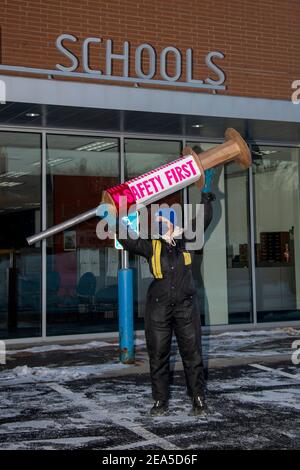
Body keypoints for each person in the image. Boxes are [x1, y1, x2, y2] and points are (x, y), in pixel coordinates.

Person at [103, 170, 215, 416]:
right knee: (159, 356)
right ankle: (160, 401)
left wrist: (205, 194)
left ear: (176, 224)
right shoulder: (151, 246)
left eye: (169, 221)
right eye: (162, 223)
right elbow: (127, 239)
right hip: (158, 309)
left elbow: (205, 218)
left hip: (186, 308)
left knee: (192, 354)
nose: (166, 226)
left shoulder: (189, 239)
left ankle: (197, 398)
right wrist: (116, 215)